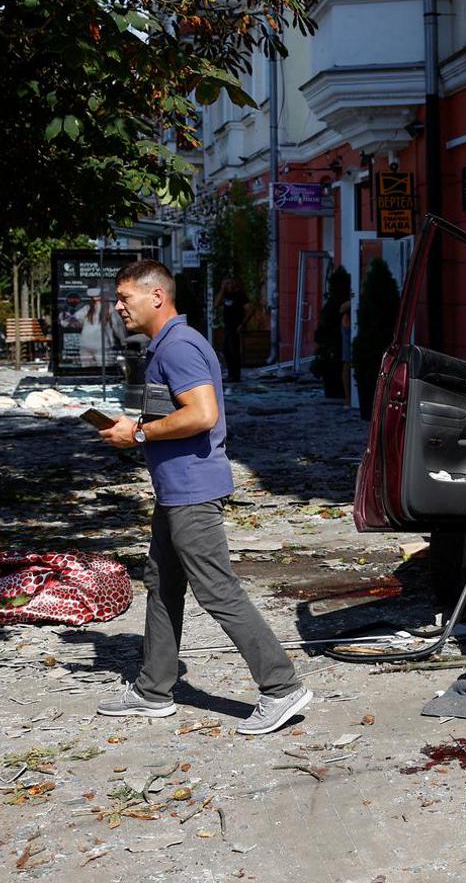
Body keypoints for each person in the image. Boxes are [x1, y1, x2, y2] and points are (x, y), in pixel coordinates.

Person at [95, 260, 311, 735]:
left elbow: (202, 415)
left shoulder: (178, 347)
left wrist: (138, 435)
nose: (118, 307)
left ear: (156, 297)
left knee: (216, 590)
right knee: (162, 583)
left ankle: (281, 687)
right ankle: (154, 689)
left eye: (124, 297)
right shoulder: (168, 346)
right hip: (175, 490)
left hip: (193, 492)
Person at [218, 276, 249, 383]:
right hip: (227, 326)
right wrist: (222, 290)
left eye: (230, 283)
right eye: (227, 284)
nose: (229, 286)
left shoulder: (240, 295)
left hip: (235, 326)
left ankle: (236, 376)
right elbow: (216, 304)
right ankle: (231, 374)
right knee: (226, 350)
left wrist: (242, 324)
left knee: (234, 351)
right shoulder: (226, 295)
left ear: (235, 283)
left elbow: (250, 309)